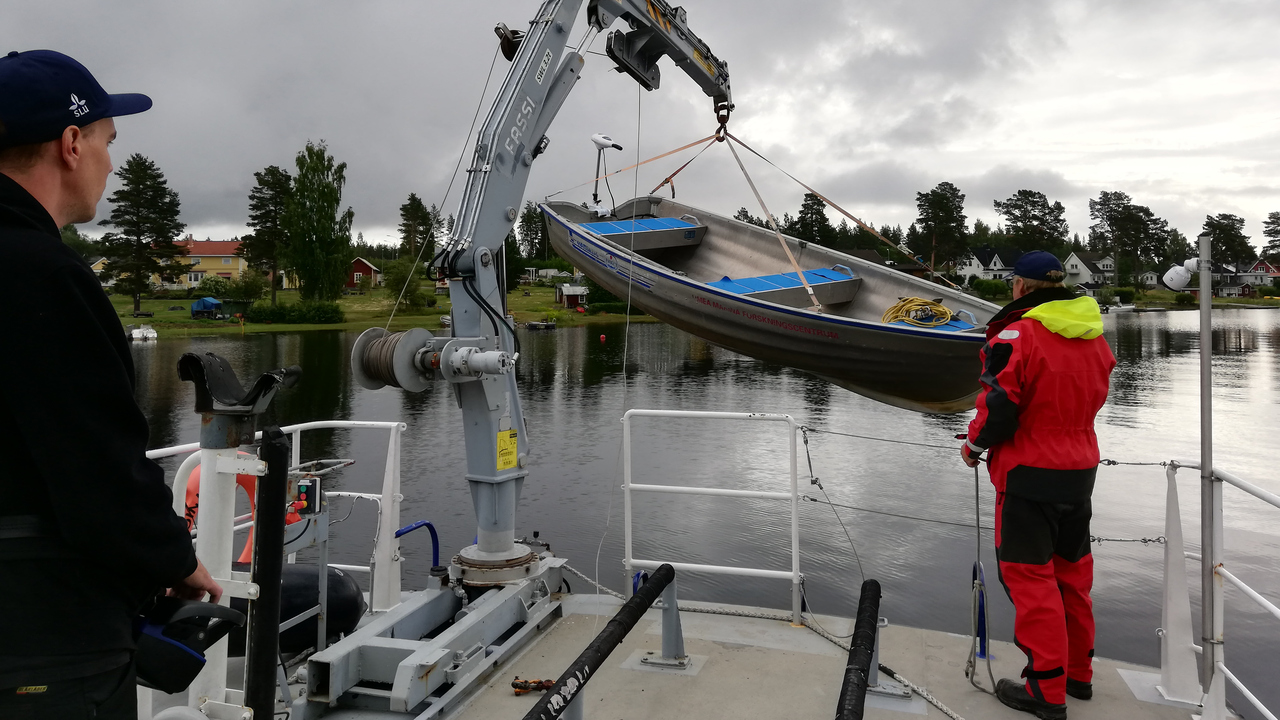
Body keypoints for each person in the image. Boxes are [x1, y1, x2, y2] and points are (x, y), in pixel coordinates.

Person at [0, 50, 221, 719]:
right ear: (71, 144)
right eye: (108, 141)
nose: (112, 163)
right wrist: (171, 559)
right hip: (44, 637)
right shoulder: (42, 275)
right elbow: (95, 461)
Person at [960, 250, 1116, 720]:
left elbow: (999, 406)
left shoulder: (1017, 335)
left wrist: (973, 446)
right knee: (1073, 575)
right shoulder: (1094, 337)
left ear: (1021, 287)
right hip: (1080, 470)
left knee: (1031, 580)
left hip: (1028, 472)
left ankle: (1046, 692)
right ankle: (1078, 676)